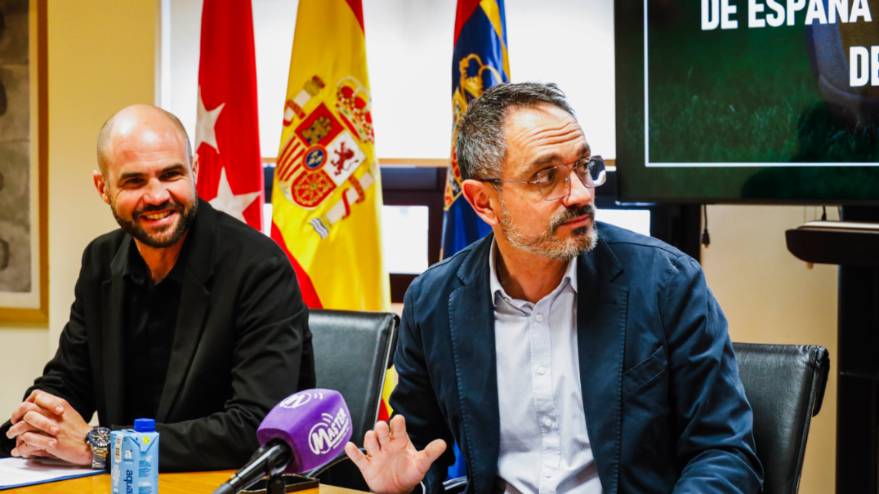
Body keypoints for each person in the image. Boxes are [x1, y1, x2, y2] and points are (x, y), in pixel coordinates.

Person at [344, 83, 762, 493]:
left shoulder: (666, 282)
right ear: (484, 202)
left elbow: (723, 453)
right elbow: (418, 449)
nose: (580, 194)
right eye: (546, 176)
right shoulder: (434, 301)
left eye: (583, 167)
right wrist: (408, 487)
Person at [0, 104, 315, 471]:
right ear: (103, 188)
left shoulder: (259, 267)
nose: (156, 196)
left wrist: (101, 446)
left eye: (171, 174)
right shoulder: (101, 260)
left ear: (195, 170)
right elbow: (69, 382)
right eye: (134, 181)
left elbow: (254, 427)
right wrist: (36, 425)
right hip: (126, 484)